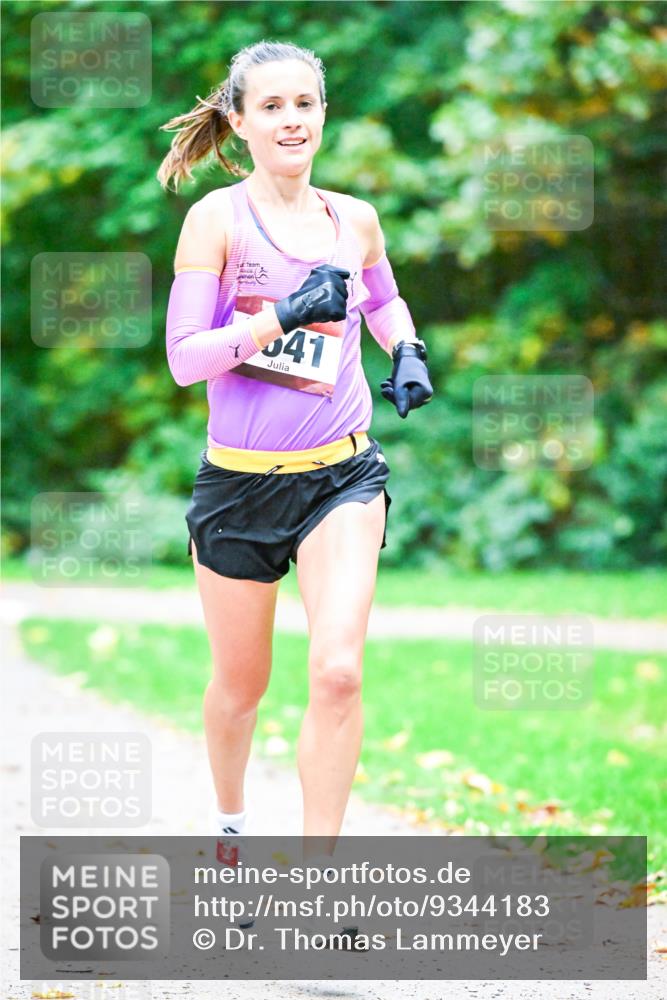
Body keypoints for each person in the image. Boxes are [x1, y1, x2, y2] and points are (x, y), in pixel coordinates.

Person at [157, 40, 433, 941]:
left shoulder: (353, 219)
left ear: (323, 112)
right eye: (270, 106)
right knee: (241, 687)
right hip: (238, 490)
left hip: (341, 476)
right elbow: (183, 361)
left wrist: (409, 352)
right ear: (238, 121)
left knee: (339, 669)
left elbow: (383, 300)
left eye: (305, 103)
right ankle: (231, 833)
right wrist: (281, 313)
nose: (292, 121)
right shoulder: (218, 222)